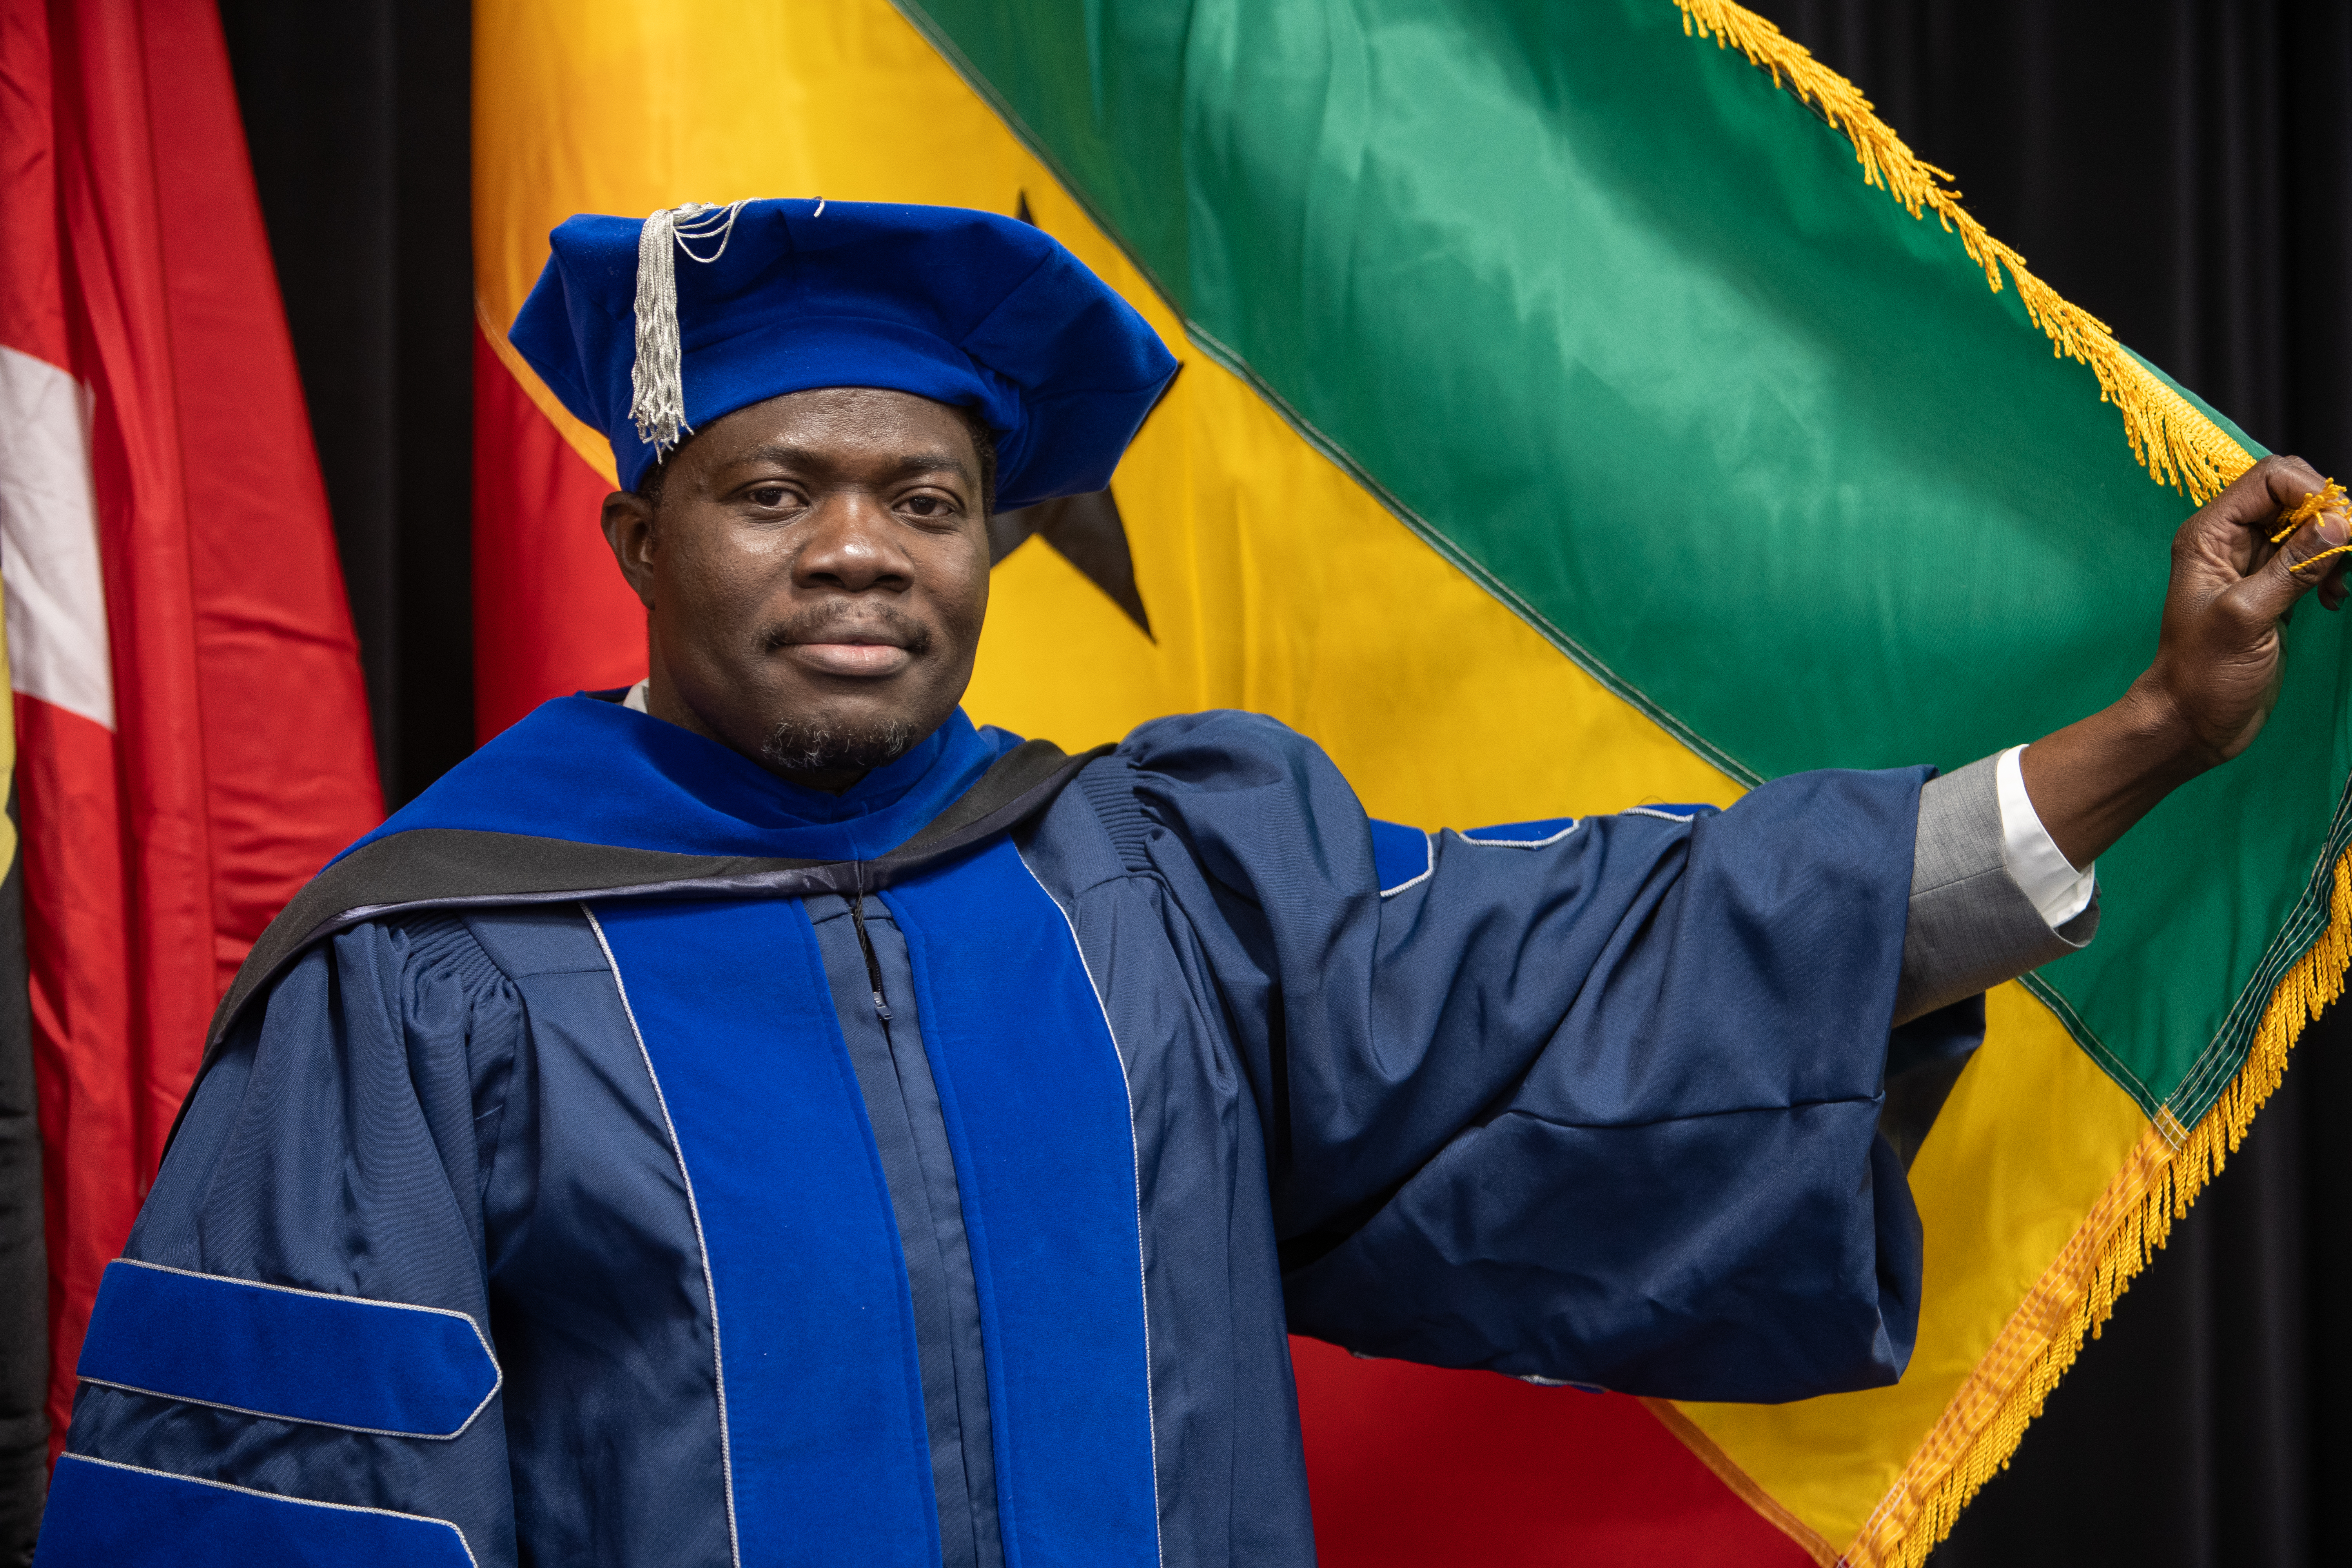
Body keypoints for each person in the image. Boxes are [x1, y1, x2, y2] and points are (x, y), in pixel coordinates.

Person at [30, 199, 2348, 1568]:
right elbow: (289, 1505)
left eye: (927, 500)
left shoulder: (1154, 887)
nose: (859, 547)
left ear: (990, 547)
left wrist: (2139, 746)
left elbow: (1619, 956)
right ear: (640, 535)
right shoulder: (432, 967)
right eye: (774, 491)